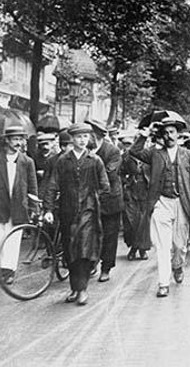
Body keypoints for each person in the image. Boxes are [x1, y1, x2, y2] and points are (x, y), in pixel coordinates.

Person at [130, 118, 190, 298]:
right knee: (162, 246)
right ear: (162, 136)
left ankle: (178, 265)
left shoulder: (188, 154)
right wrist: (145, 133)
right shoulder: (155, 154)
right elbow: (134, 151)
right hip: (161, 202)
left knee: (179, 245)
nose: (169, 136)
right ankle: (163, 283)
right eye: (166, 133)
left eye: (172, 132)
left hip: (181, 202)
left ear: (178, 134)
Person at [43, 123, 110, 305]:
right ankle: (74, 288)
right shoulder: (63, 161)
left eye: (85, 137)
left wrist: (94, 199)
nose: (82, 140)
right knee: (70, 250)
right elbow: (52, 185)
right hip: (67, 212)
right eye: (79, 137)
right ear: (72, 139)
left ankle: (82, 290)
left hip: (89, 212)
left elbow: (105, 186)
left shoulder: (95, 160)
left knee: (84, 250)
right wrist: (48, 209)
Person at [0, 126, 38, 285]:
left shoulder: (27, 162)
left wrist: (33, 208)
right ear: (7, 140)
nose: (18, 143)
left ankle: (9, 271)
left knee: (13, 239)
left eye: (20, 139)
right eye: (15, 139)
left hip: (18, 206)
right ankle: (0, 269)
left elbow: (32, 187)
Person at [86, 119, 124, 283]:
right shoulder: (85, 151)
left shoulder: (112, 151)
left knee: (109, 235)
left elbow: (110, 174)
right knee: (90, 234)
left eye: (90, 135)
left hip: (110, 201)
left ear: (98, 136)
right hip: (90, 199)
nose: (87, 138)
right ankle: (92, 262)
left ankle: (106, 267)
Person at [120, 134, 151, 260]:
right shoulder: (126, 158)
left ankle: (142, 250)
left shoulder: (148, 157)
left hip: (145, 192)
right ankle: (133, 247)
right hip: (131, 192)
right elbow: (120, 173)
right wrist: (126, 183)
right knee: (132, 222)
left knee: (144, 222)